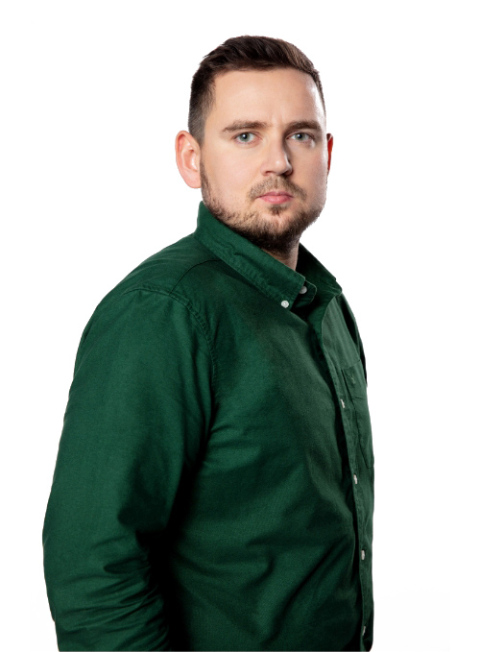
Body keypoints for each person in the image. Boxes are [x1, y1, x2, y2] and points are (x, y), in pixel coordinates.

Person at [43, 35, 374, 652]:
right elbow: (94, 573)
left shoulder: (325, 308)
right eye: (245, 135)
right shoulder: (163, 314)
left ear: (327, 154)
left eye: (300, 136)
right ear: (191, 159)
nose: (278, 161)